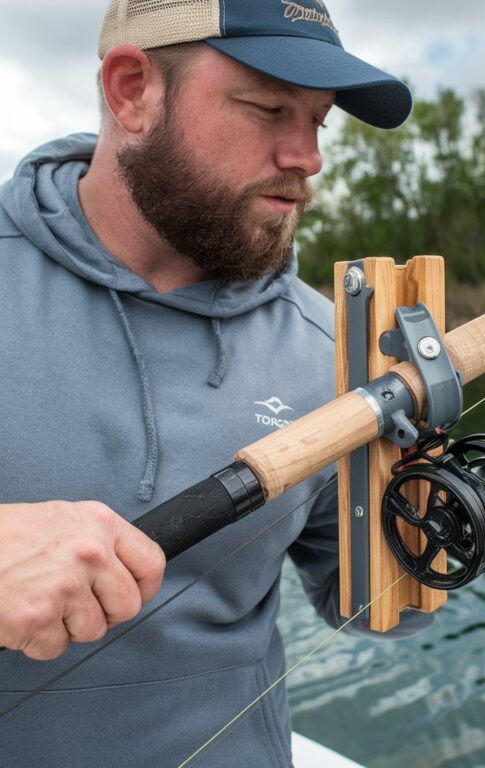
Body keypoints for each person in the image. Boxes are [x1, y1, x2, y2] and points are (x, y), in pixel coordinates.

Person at [0, 1, 418, 765]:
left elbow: (375, 610)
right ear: (132, 91)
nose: (308, 157)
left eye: (318, 121)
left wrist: (434, 515)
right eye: (269, 109)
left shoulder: (338, 348)